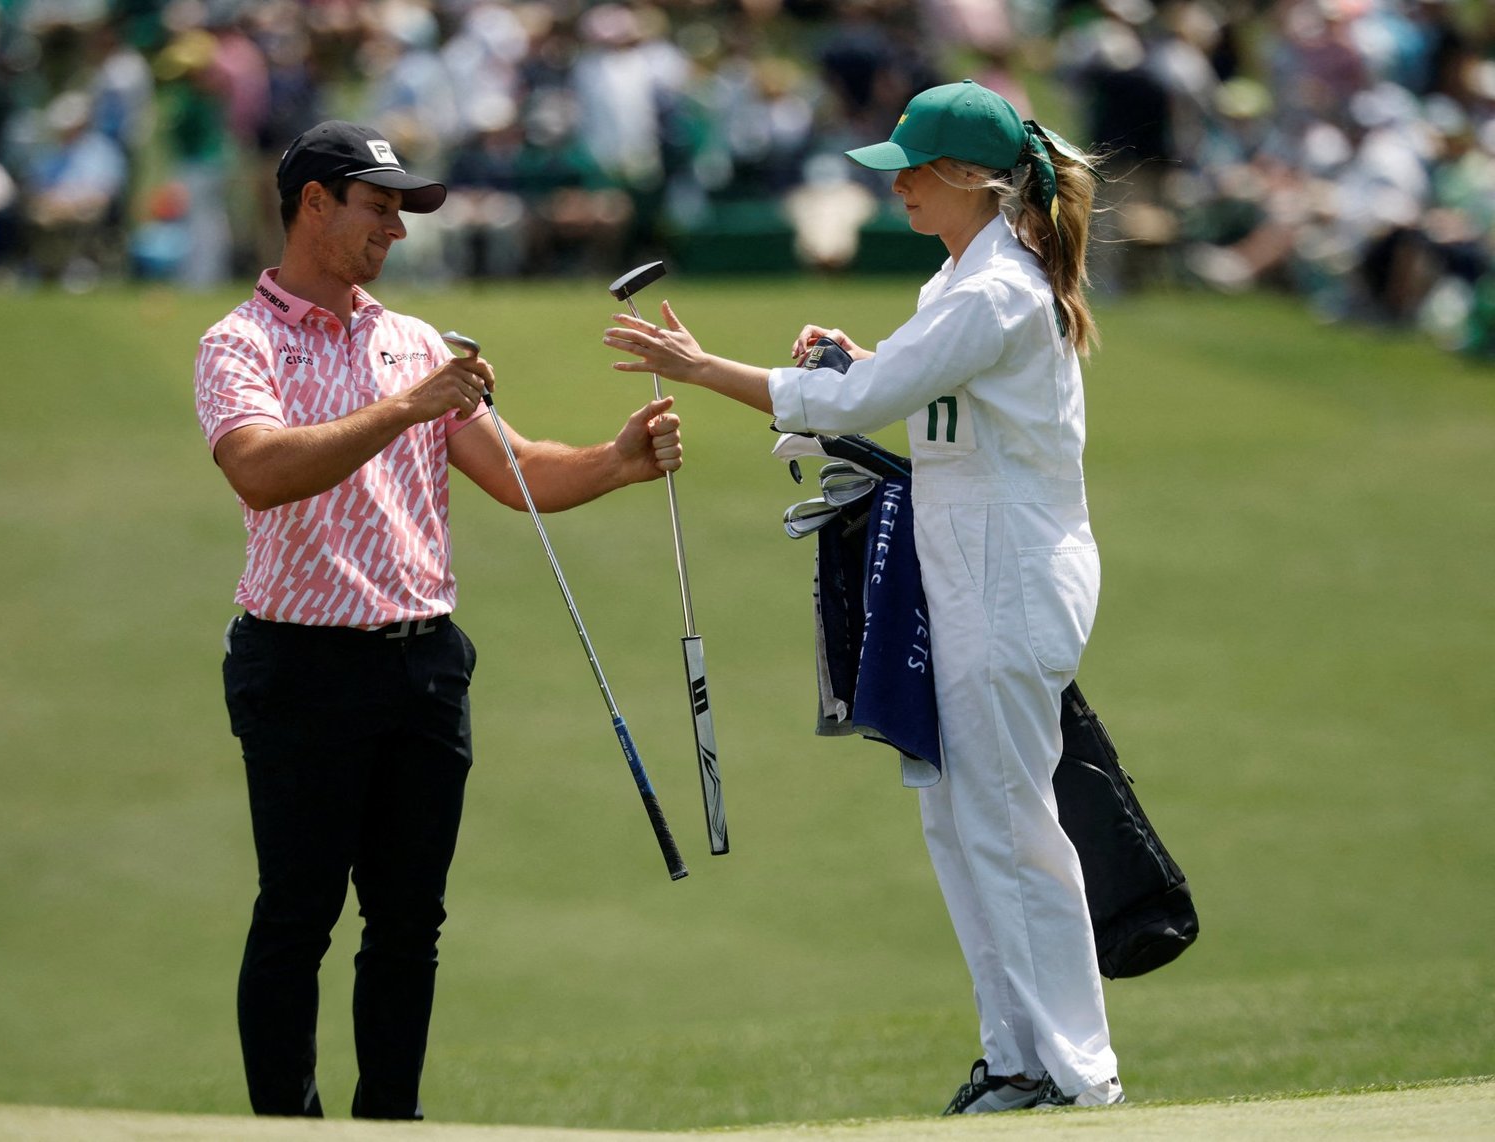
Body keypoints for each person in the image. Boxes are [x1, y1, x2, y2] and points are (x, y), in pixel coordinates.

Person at [604, 81, 1123, 1114]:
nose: (901, 191)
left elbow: (863, 405)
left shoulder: (993, 291)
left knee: (1008, 824)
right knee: (958, 818)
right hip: (966, 561)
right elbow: (918, 397)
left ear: (968, 178)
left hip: (1007, 569)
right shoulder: (963, 281)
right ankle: (1017, 1056)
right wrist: (859, 359)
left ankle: (1073, 1070)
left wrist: (701, 367)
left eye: (914, 174)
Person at [194, 119, 682, 1120]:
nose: (397, 232)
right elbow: (259, 466)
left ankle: (392, 1119)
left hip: (422, 665)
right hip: (299, 663)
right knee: (297, 915)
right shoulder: (240, 342)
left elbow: (513, 469)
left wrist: (614, 461)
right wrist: (404, 409)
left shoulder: (414, 342)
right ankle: (286, 1122)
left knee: (410, 920)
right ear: (315, 203)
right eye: (380, 208)